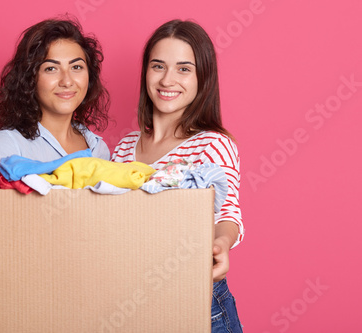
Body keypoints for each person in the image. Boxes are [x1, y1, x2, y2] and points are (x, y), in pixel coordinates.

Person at [111, 19, 244, 332]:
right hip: (134, 300)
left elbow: (228, 214)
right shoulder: (124, 146)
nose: (168, 79)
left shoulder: (212, 144)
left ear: (202, 78)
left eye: (184, 68)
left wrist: (221, 244)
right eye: (158, 66)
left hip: (196, 299)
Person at [0, 17, 110, 285]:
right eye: (51, 69)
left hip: (88, 285)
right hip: (28, 288)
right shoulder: (8, 144)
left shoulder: (98, 149)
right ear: (30, 78)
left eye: (76, 67)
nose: (67, 81)